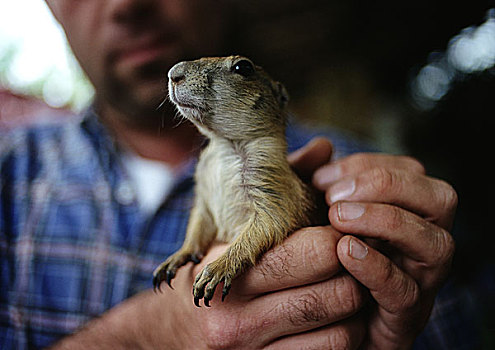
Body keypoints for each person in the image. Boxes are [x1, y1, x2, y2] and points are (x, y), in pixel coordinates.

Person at [0, 0, 478, 349]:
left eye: (238, 71)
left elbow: (271, 221)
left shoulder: (344, 166)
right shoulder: (11, 171)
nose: (129, 4)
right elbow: (205, 209)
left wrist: (398, 321)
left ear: (273, 98)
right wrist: (186, 262)